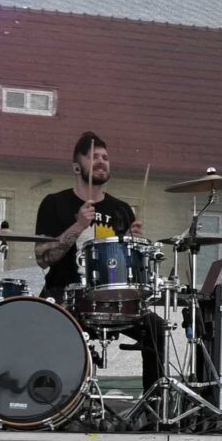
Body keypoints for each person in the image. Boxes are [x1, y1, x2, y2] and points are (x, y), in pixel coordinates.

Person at [34, 131, 165, 396]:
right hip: (65, 295)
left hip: (113, 299)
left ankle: (153, 405)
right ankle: (53, 401)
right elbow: (42, 258)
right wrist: (79, 225)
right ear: (76, 167)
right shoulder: (54, 203)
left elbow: (128, 268)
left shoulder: (121, 209)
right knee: (45, 329)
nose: (102, 161)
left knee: (156, 328)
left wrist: (133, 245)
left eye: (105, 157)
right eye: (94, 157)